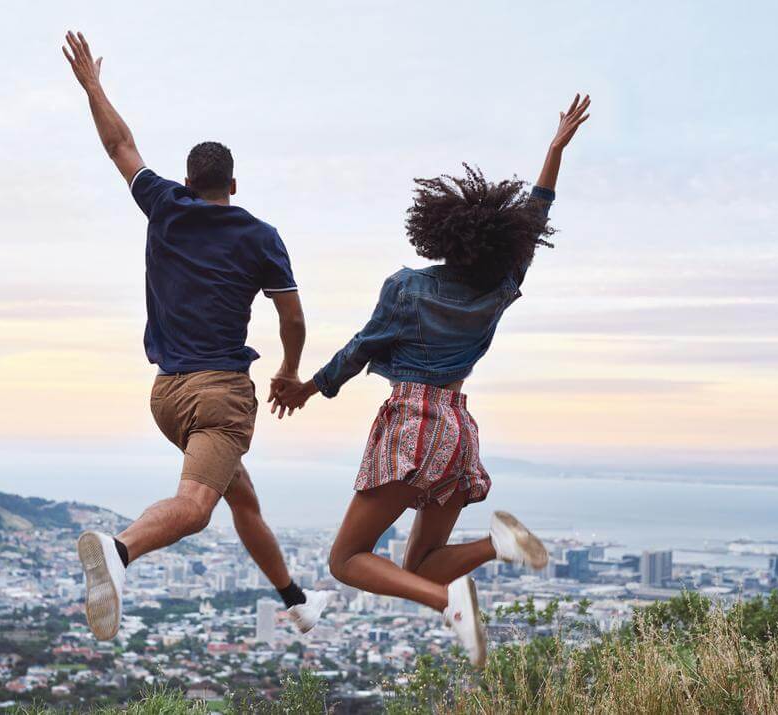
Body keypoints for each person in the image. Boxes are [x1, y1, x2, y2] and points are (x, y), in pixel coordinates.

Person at [271, 95, 591, 667]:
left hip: (414, 425)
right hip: (458, 430)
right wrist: (553, 152)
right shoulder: (503, 286)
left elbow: (361, 348)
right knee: (417, 562)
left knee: (346, 560)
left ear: (440, 233)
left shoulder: (407, 288)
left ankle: (448, 603)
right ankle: (498, 546)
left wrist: (308, 388)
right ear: (506, 243)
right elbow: (536, 215)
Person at [62, 31, 329, 641]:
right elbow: (293, 319)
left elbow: (120, 144)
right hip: (219, 395)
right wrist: (289, 371)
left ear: (188, 181)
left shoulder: (164, 205)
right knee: (196, 509)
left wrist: (94, 87)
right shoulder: (261, 235)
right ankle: (119, 550)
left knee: (244, 499)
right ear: (233, 185)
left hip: (167, 397)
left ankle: (296, 598)